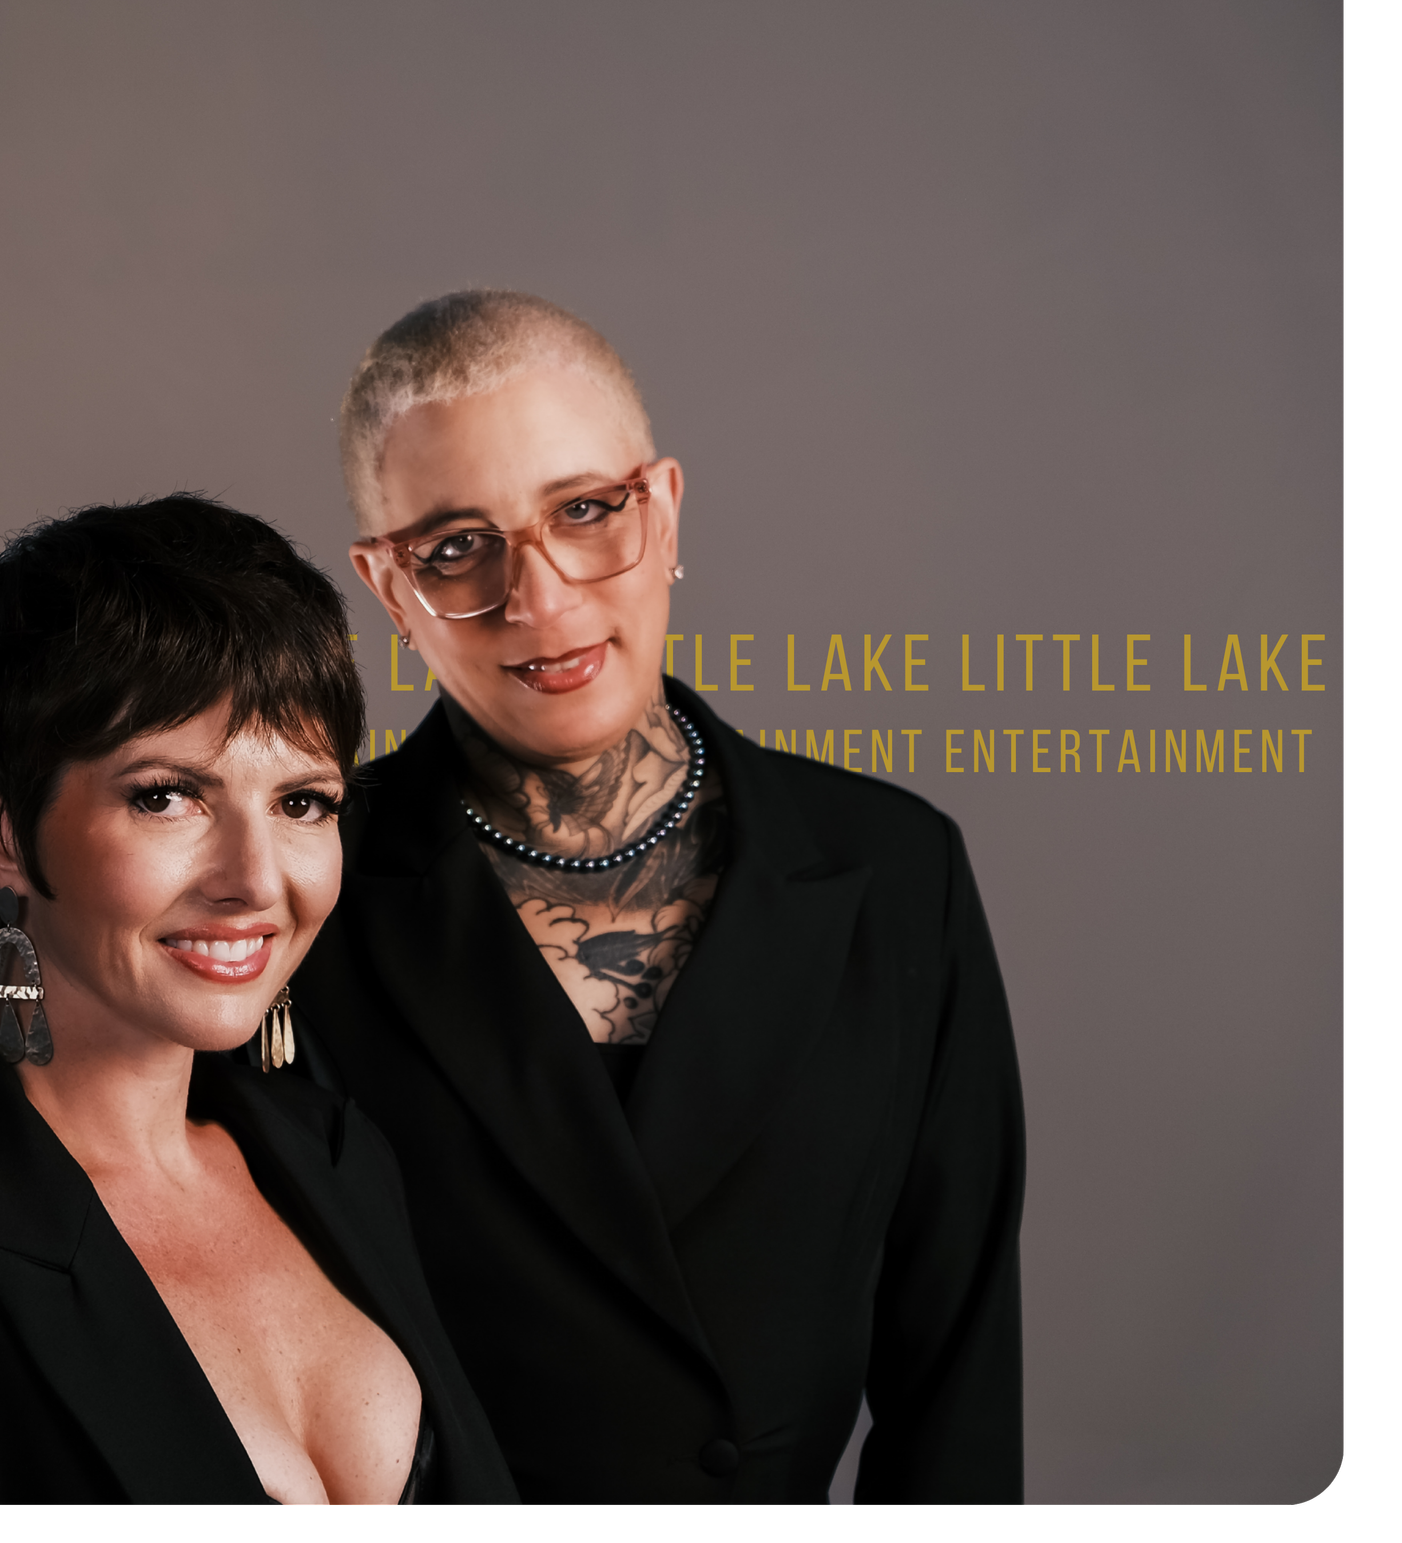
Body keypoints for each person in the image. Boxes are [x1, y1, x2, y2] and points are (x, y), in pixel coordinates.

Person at [293, 290, 1025, 1503]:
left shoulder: (894, 871)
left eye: (584, 511)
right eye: (457, 548)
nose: (540, 596)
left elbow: (955, 1379)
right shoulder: (294, 886)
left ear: (666, 506)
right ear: (387, 587)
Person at [0, 497, 516, 1505]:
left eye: (300, 801)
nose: (253, 876)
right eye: (166, 795)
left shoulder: (342, 1159)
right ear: (2, 831)